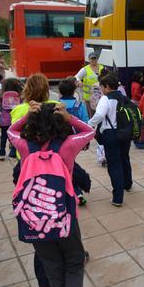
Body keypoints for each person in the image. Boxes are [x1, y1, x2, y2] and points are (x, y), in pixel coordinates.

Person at [8, 102, 94, 287]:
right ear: (59, 122)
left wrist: (26, 116)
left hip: (35, 219)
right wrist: (70, 118)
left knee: (54, 267)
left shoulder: (26, 147)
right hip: (65, 218)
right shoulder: (66, 146)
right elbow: (89, 132)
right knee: (74, 263)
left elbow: (10, 131)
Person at [9, 73, 59, 287]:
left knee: (39, 233)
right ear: (47, 90)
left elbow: (13, 135)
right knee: (61, 222)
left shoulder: (18, 112)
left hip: (28, 174)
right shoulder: (55, 110)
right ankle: (71, 259)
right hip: (54, 172)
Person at [88, 73, 133, 207]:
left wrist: (89, 124)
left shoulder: (105, 99)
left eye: (102, 86)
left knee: (114, 165)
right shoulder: (123, 97)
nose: (101, 89)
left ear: (107, 86)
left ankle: (118, 198)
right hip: (125, 133)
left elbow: (100, 115)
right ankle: (127, 184)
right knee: (124, 158)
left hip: (111, 134)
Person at [59, 77, 91, 205]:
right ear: (74, 91)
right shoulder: (80, 105)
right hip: (76, 140)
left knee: (67, 165)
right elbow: (86, 122)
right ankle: (77, 190)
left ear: (60, 92)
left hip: (60, 140)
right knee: (70, 163)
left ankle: (75, 190)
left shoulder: (56, 105)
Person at [0, 77, 23, 160]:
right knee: (15, 136)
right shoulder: (19, 95)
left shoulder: (2, 96)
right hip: (16, 120)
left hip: (5, 121)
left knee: (3, 137)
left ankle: (2, 153)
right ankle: (13, 152)